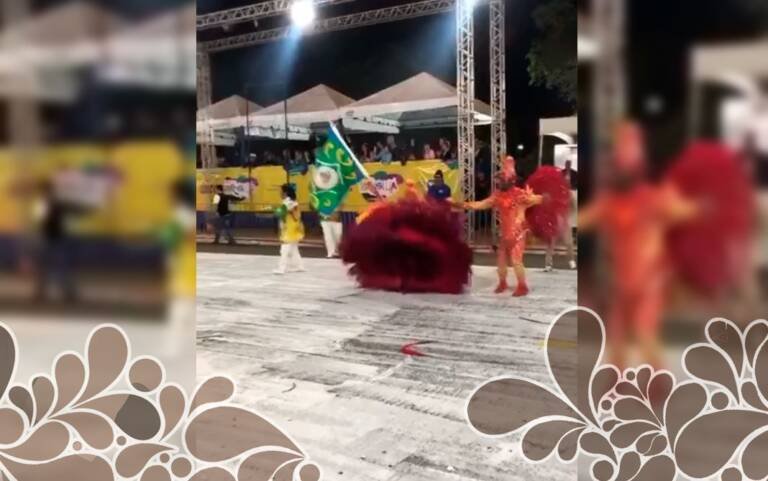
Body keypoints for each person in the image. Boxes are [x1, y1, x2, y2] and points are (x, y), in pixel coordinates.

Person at [579, 121, 698, 369]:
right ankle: (620, 380)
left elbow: (685, 212)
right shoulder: (610, 200)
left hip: (649, 280)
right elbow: (585, 218)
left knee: (644, 332)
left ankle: (657, 379)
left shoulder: (654, 196)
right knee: (618, 335)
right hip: (622, 279)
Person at [462, 156, 543, 296]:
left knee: (516, 260)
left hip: (518, 233)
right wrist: (464, 205)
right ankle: (502, 282)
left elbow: (539, 199)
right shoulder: (497, 195)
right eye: (498, 180)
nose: (498, 182)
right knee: (501, 260)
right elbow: (481, 204)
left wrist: (538, 197)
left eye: (501, 179)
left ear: (510, 180)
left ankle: (522, 286)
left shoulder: (520, 194)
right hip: (505, 233)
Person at [544, 161, 577, 271]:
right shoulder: (552, 192)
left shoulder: (569, 193)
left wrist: (568, 214)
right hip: (554, 220)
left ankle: (571, 262)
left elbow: (573, 206)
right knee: (551, 242)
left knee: (569, 243)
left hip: (563, 220)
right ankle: (548, 264)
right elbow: (546, 205)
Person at [274, 184, 306, 274]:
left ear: (285, 192)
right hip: (292, 227)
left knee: (284, 249)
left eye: (280, 191)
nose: (279, 193)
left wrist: (275, 210)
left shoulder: (288, 202)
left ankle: (282, 268)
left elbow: (280, 213)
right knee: (293, 249)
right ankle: (299, 266)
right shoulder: (290, 201)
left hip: (290, 228)